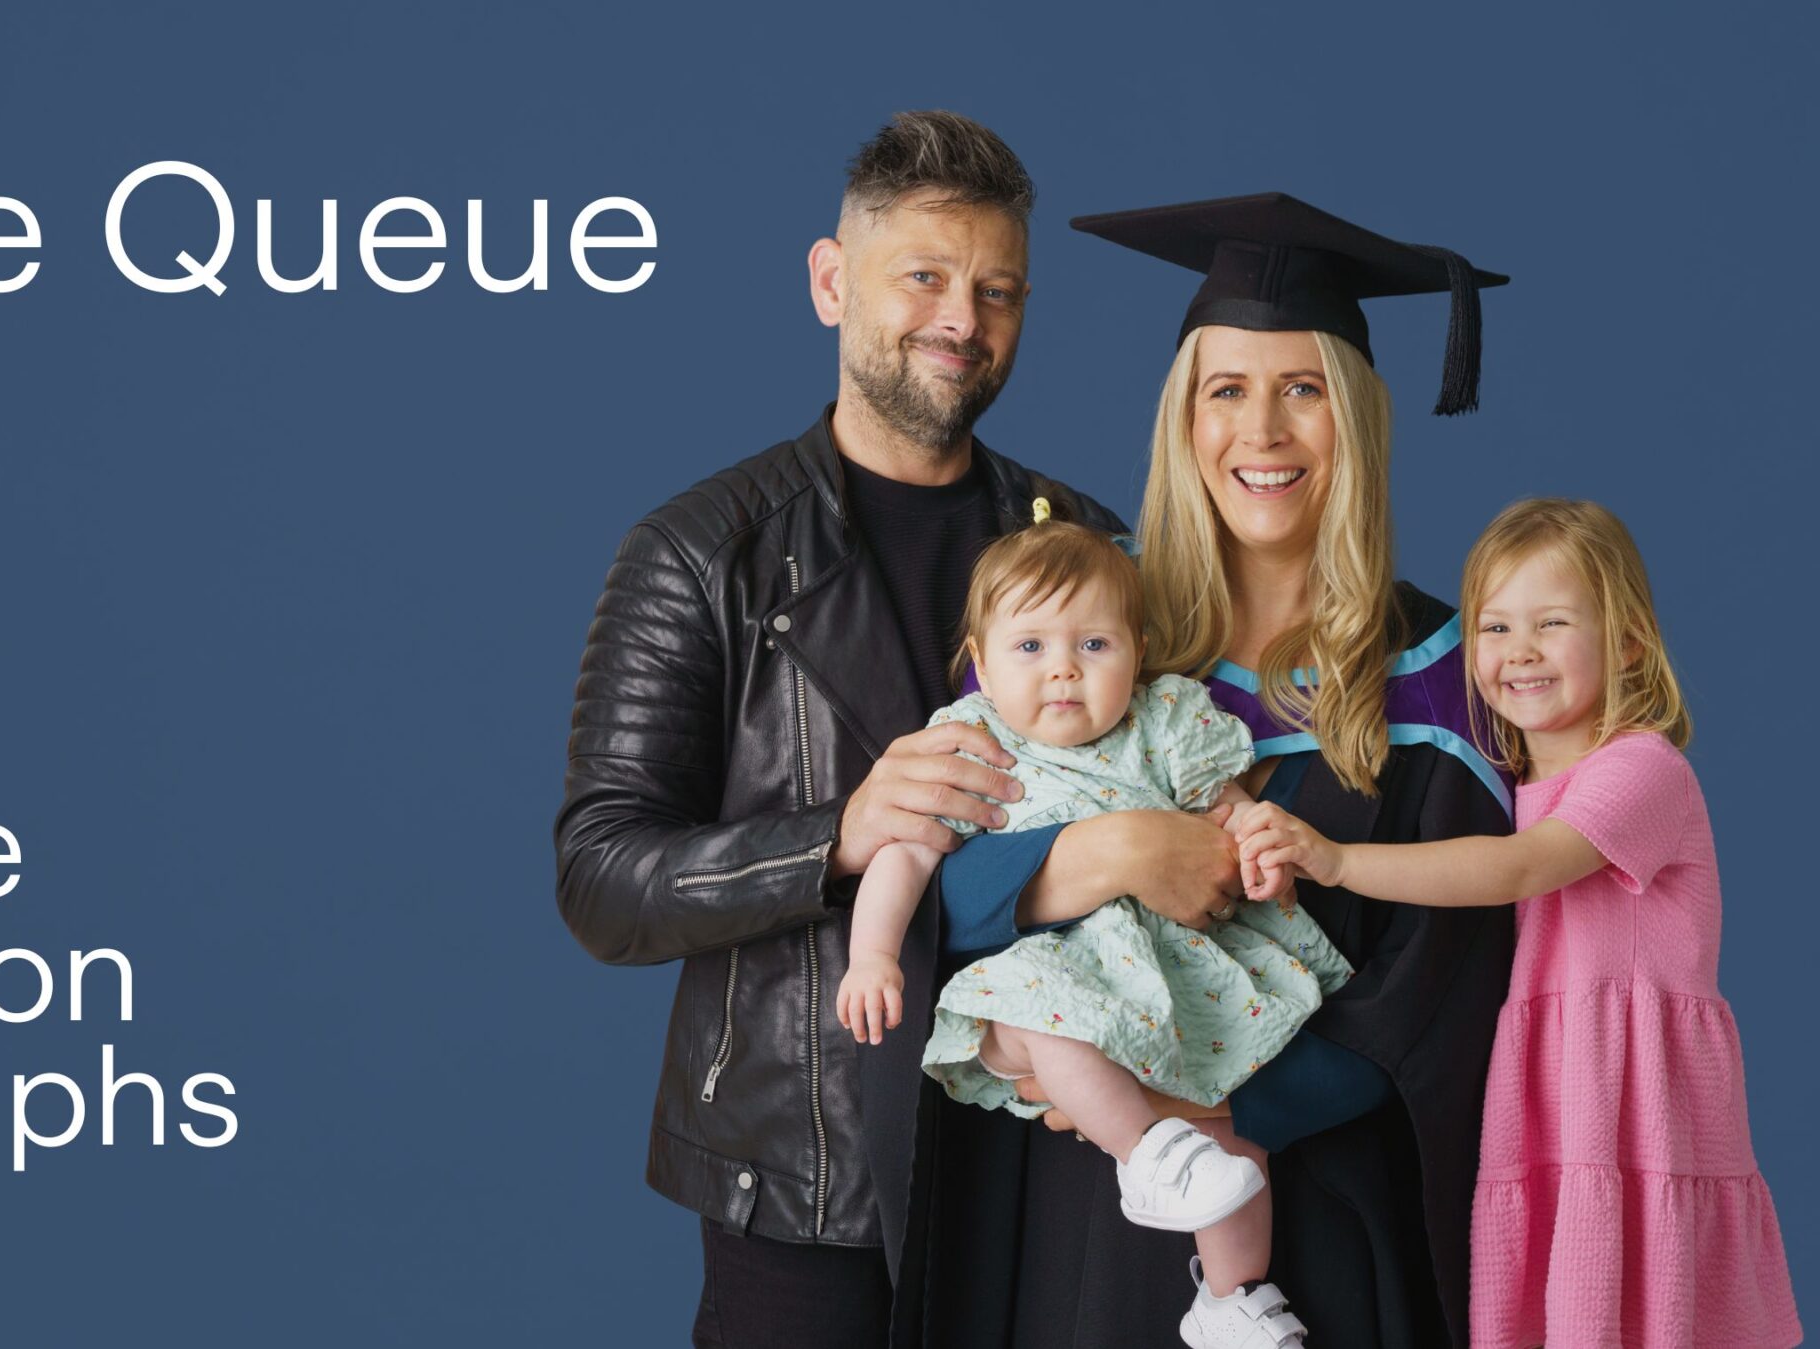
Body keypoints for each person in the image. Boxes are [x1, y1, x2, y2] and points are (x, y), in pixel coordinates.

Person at [553, 112, 1159, 1349]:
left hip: (1043, 1138)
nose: (962, 320)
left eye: (997, 290)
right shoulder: (697, 550)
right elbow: (600, 877)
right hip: (803, 1168)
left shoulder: (1086, 547)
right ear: (832, 284)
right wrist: (836, 834)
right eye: (924, 277)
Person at [924, 194, 1518, 1347]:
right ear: (1182, 419)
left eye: (1304, 389)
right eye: (1226, 390)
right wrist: (1085, 855)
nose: (1264, 431)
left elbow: (1438, 996)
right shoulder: (1074, 637)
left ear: (1356, 416)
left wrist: (1199, 1109)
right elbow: (936, 894)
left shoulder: (1446, 675)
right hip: (1086, 1226)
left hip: (1321, 1209)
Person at [1228, 498, 1801, 1349]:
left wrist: (1338, 859)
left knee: (1647, 1304)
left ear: (1630, 641)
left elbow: (1519, 869)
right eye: (1495, 626)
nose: (1519, 650)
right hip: (1542, 1096)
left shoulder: (1641, 768)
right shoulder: (1501, 781)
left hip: (1630, 1095)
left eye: (1553, 621)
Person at [837, 518, 1346, 1346]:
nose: (1064, 668)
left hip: (1172, 975)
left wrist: (1259, 844)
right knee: (1044, 1010)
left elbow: (1228, 805)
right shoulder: (973, 744)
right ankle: (1143, 1152)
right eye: (1031, 645)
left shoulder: (1164, 720)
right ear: (980, 658)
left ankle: (1234, 1295)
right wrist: (873, 954)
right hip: (1051, 975)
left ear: (1139, 651)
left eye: (1095, 644)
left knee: (1234, 1138)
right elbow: (904, 856)